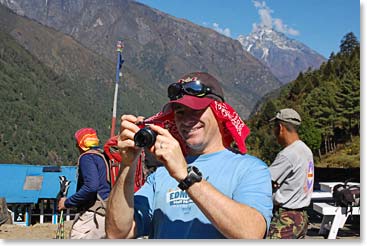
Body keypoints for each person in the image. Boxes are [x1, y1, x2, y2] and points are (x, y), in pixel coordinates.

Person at [106, 71, 273, 239]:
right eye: (180, 112)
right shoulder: (161, 175)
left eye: (196, 109)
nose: (187, 120)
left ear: (219, 111)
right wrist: (128, 165)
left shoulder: (250, 169)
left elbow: (252, 233)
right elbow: (118, 233)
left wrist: (186, 175)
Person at [268, 108, 314, 239]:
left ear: (281, 127)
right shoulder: (305, 150)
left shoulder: (288, 154)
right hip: (302, 217)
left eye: (274, 127)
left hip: (287, 218)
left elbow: (263, 181)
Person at [58, 128, 111, 239]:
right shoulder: (104, 157)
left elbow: (91, 187)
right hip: (108, 213)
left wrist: (67, 202)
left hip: (94, 214)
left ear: (81, 144)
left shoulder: (87, 157)